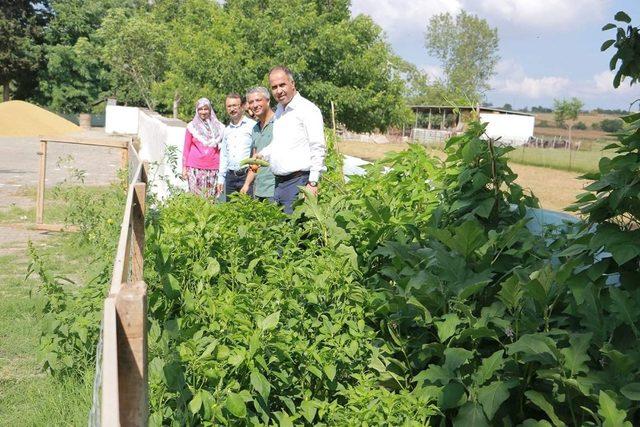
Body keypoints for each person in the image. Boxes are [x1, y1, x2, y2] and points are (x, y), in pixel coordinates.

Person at [258, 66, 326, 214]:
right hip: (279, 184)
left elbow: (318, 147)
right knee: (281, 230)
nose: (279, 90)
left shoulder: (307, 109)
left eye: (282, 85)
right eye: (274, 87)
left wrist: (313, 182)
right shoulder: (280, 112)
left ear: (292, 84)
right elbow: (278, 144)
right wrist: (261, 155)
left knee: (296, 232)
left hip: (298, 182)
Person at [182, 98, 225, 198]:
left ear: (210, 110)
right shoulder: (191, 127)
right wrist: (184, 168)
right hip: (194, 168)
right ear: (197, 110)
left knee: (210, 198)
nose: (203, 112)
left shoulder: (219, 128)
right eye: (200, 109)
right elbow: (186, 148)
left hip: (213, 168)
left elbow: (222, 149)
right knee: (196, 198)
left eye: (206, 109)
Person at [241, 87, 276, 201]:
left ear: (268, 101)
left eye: (258, 100)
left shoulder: (279, 122)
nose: (255, 105)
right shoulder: (255, 129)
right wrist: (246, 185)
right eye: (251, 102)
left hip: (275, 188)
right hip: (259, 189)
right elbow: (254, 162)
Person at [219, 93, 256, 197]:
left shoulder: (252, 126)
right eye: (229, 106)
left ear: (242, 106)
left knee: (247, 210)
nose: (232, 109)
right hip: (230, 177)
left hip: (246, 176)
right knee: (230, 211)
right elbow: (224, 155)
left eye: (235, 105)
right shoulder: (226, 130)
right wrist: (221, 179)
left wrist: (251, 177)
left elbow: (256, 154)